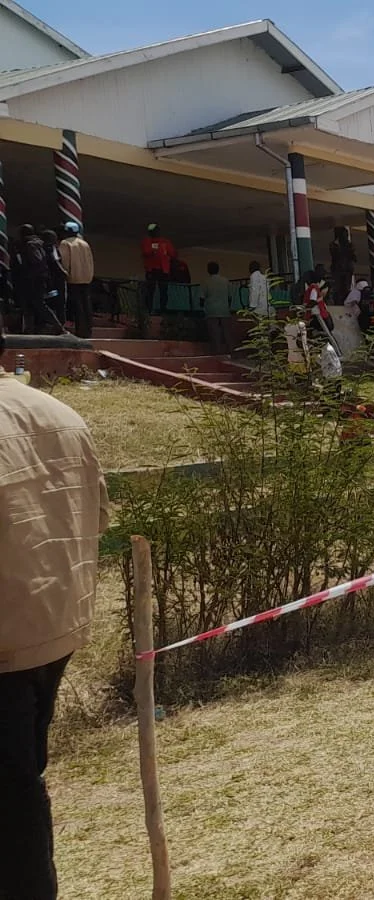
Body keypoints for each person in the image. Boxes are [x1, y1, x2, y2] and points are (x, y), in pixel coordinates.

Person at [1, 330, 113, 898]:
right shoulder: (59, 412)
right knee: (21, 779)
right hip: (55, 626)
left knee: (12, 792)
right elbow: (98, 515)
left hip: (6, 639)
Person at [57, 223, 94, 339]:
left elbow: (64, 262)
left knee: (77, 306)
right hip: (86, 278)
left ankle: (81, 331)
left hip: (73, 278)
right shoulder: (84, 243)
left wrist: (65, 276)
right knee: (86, 305)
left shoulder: (65, 243)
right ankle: (88, 330)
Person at [140, 223, 175, 313]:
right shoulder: (147, 241)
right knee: (150, 290)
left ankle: (163, 310)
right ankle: (149, 310)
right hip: (152, 270)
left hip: (163, 270)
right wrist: (155, 249)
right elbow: (146, 252)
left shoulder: (166, 242)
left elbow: (172, 254)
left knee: (163, 291)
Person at [199, 261, 232, 354]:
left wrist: (202, 307)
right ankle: (230, 353)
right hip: (224, 310)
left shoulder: (205, 282)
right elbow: (230, 297)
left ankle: (218, 354)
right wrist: (227, 307)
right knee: (227, 334)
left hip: (211, 311)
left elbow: (202, 298)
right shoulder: (225, 281)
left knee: (215, 335)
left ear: (208, 270)